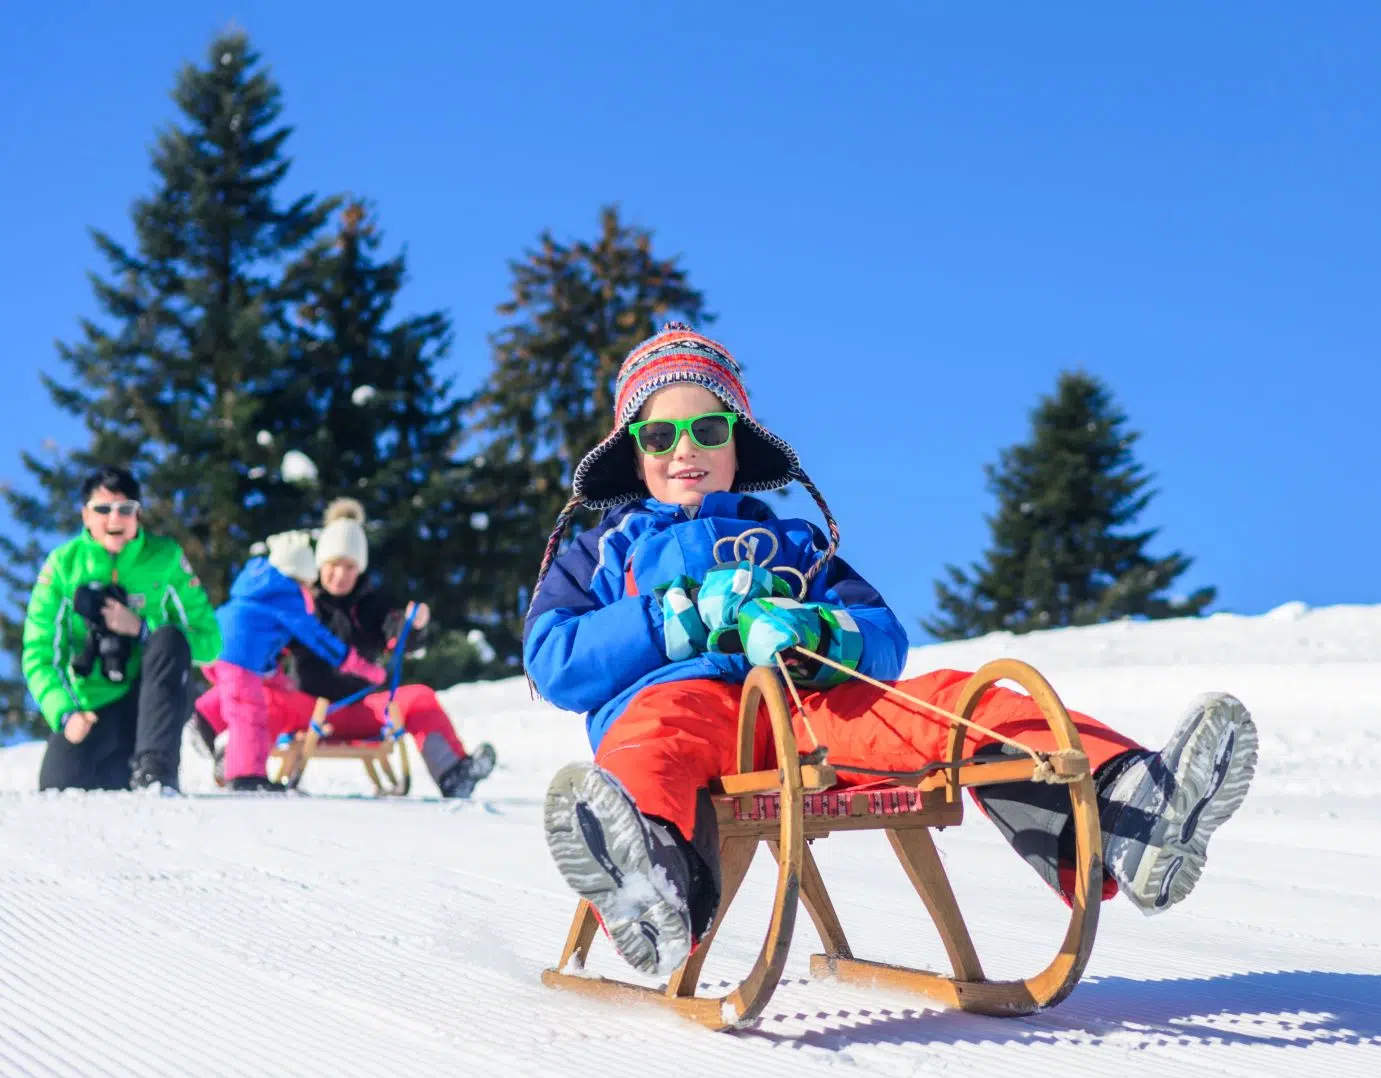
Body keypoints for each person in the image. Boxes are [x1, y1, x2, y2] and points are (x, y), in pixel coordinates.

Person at [526, 324, 1259, 976]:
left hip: (803, 711)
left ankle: (1132, 809)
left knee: (946, 702)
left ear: (736, 443)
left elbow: (882, 636)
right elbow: (553, 658)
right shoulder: (602, 550)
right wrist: (670, 623)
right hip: (680, 707)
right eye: (661, 437)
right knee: (648, 748)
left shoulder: (792, 543)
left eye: (708, 431)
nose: (686, 450)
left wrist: (815, 632)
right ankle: (650, 883)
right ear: (635, 452)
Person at [197, 499, 495, 798]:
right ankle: (238, 760)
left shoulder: (373, 605)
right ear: (319, 565)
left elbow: (397, 634)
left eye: (349, 566)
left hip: (363, 709)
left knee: (420, 697)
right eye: (333, 565)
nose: (340, 574)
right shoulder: (297, 604)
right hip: (308, 709)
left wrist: (412, 626)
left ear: (360, 568)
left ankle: (453, 772)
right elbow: (250, 668)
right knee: (263, 696)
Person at [23, 464, 221, 792]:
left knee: (170, 638)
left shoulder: (165, 558)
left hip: (151, 702)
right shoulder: (63, 566)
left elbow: (210, 643)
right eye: (103, 509)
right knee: (59, 786)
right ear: (86, 515)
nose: (114, 519)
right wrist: (65, 713)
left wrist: (143, 629)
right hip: (91, 706)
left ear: (137, 515)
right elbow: (40, 653)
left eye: (125, 509)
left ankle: (156, 773)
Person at [198, 531, 368, 791]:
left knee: (240, 697)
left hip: (216, 647)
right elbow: (318, 638)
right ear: (302, 577)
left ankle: (207, 715)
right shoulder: (288, 597)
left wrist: (277, 678)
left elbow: (262, 649)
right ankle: (246, 776)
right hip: (239, 657)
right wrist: (355, 663)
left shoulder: (259, 586)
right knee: (249, 712)